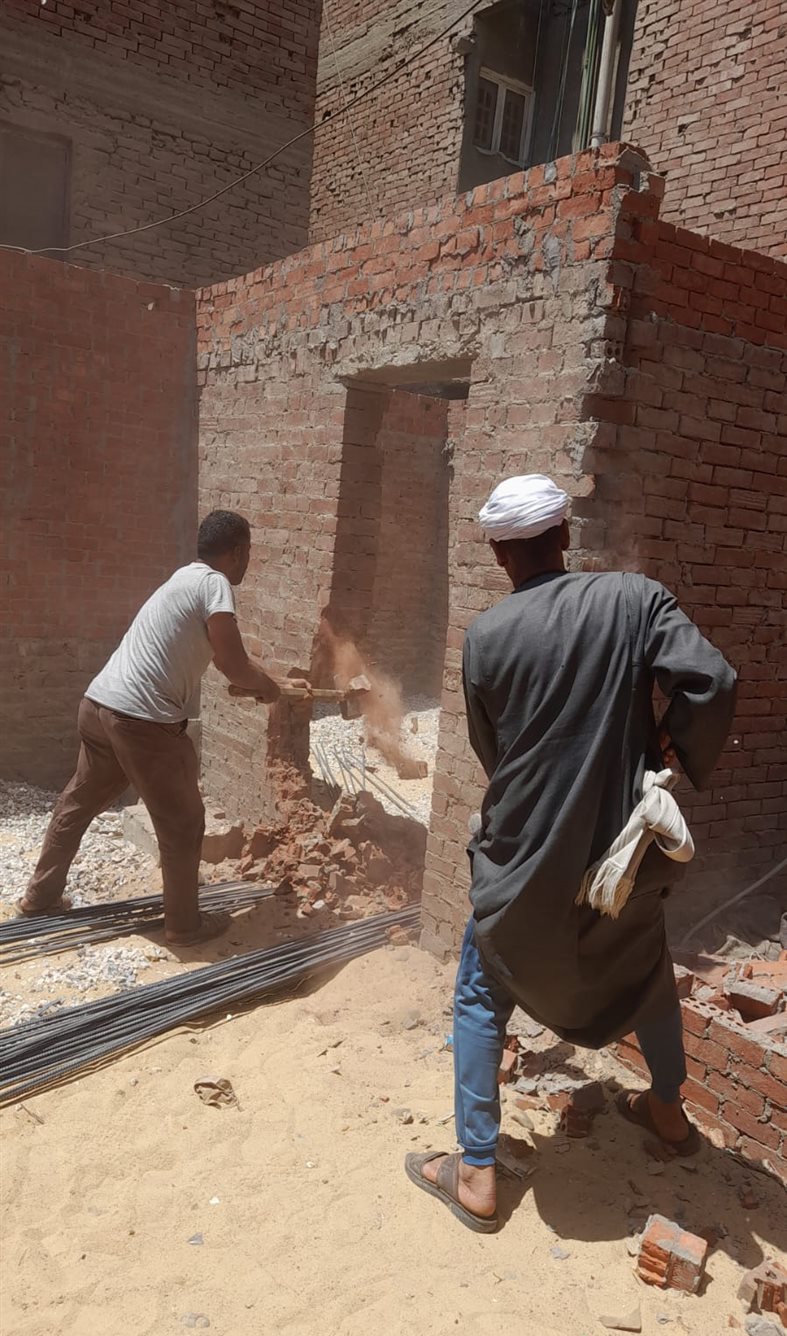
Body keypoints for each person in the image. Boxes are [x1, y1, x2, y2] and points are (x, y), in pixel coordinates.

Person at [405, 474, 736, 1232]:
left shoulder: (486, 638)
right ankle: (667, 1111)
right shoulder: (634, 599)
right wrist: (668, 743)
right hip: (622, 856)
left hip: (525, 859)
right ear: (563, 535)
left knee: (482, 988)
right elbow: (712, 682)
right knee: (647, 971)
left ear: (498, 554)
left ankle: (477, 1171)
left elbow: (494, 755)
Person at [17, 510, 303, 946]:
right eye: (248, 553)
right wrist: (268, 688)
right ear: (237, 551)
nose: (248, 562)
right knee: (183, 822)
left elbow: (230, 663)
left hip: (99, 705)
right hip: (141, 721)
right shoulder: (215, 584)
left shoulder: (181, 579)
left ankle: (39, 897)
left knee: (78, 801)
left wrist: (270, 683)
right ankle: (185, 927)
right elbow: (233, 664)